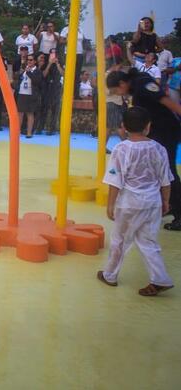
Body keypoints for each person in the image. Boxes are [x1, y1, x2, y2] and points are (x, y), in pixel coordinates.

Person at [97, 107, 174, 296]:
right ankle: (160, 278)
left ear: (123, 126)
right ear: (148, 126)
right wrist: (165, 201)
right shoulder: (159, 148)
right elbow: (165, 180)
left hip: (129, 203)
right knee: (148, 241)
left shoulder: (121, 149)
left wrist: (110, 204)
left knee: (119, 240)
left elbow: (115, 181)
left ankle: (110, 275)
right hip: (152, 202)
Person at [107, 68, 181, 231]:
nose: (118, 94)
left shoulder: (142, 84)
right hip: (157, 131)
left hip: (166, 130)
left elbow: (166, 100)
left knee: (167, 171)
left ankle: (179, 213)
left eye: (116, 90)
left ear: (122, 83)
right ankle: (169, 205)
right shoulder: (135, 87)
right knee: (159, 170)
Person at [17, 55, 43, 138]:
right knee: (20, 113)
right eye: (28, 60)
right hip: (22, 93)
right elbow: (19, 79)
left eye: (31, 60)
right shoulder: (24, 69)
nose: (29, 61)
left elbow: (37, 81)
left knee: (30, 113)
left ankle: (29, 132)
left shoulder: (37, 71)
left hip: (31, 95)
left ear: (35, 61)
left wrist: (28, 72)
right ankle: (17, 132)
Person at [59, 23, 86, 99]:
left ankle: (76, 94)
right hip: (69, 53)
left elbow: (83, 41)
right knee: (69, 74)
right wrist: (67, 39)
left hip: (79, 54)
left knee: (77, 74)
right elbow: (61, 41)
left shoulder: (80, 29)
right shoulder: (66, 29)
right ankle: (67, 93)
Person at [39, 49, 63, 135]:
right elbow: (44, 74)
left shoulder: (60, 63)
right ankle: (40, 127)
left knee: (55, 110)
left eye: (54, 53)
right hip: (47, 88)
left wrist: (57, 64)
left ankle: (52, 129)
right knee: (44, 108)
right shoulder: (46, 63)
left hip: (56, 88)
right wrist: (49, 64)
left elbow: (63, 74)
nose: (53, 55)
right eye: (51, 53)